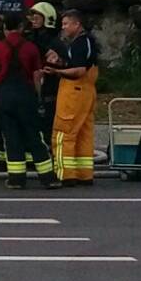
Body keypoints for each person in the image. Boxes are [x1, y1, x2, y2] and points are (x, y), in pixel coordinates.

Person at [0, 14, 62, 189]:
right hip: (25, 96)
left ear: (5, 29)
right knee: (33, 136)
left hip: (4, 97)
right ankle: (48, 178)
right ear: (21, 28)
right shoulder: (30, 48)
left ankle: (16, 179)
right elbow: (37, 75)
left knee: (11, 138)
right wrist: (37, 97)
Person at [48, 10, 100, 185]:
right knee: (83, 133)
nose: (63, 28)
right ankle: (84, 174)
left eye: (66, 24)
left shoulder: (79, 44)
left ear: (77, 25)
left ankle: (66, 174)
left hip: (73, 92)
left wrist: (56, 71)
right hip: (86, 93)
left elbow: (78, 70)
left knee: (63, 133)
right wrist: (61, 63)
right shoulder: (88, 42)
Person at [25, 2, 60, 145]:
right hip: (33, 89)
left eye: (37, 17)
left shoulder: (54, 43)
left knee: (48, 126)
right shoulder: (31, 39)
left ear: (47, 19)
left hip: (49, 90)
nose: (33, 19)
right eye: (32, 16)